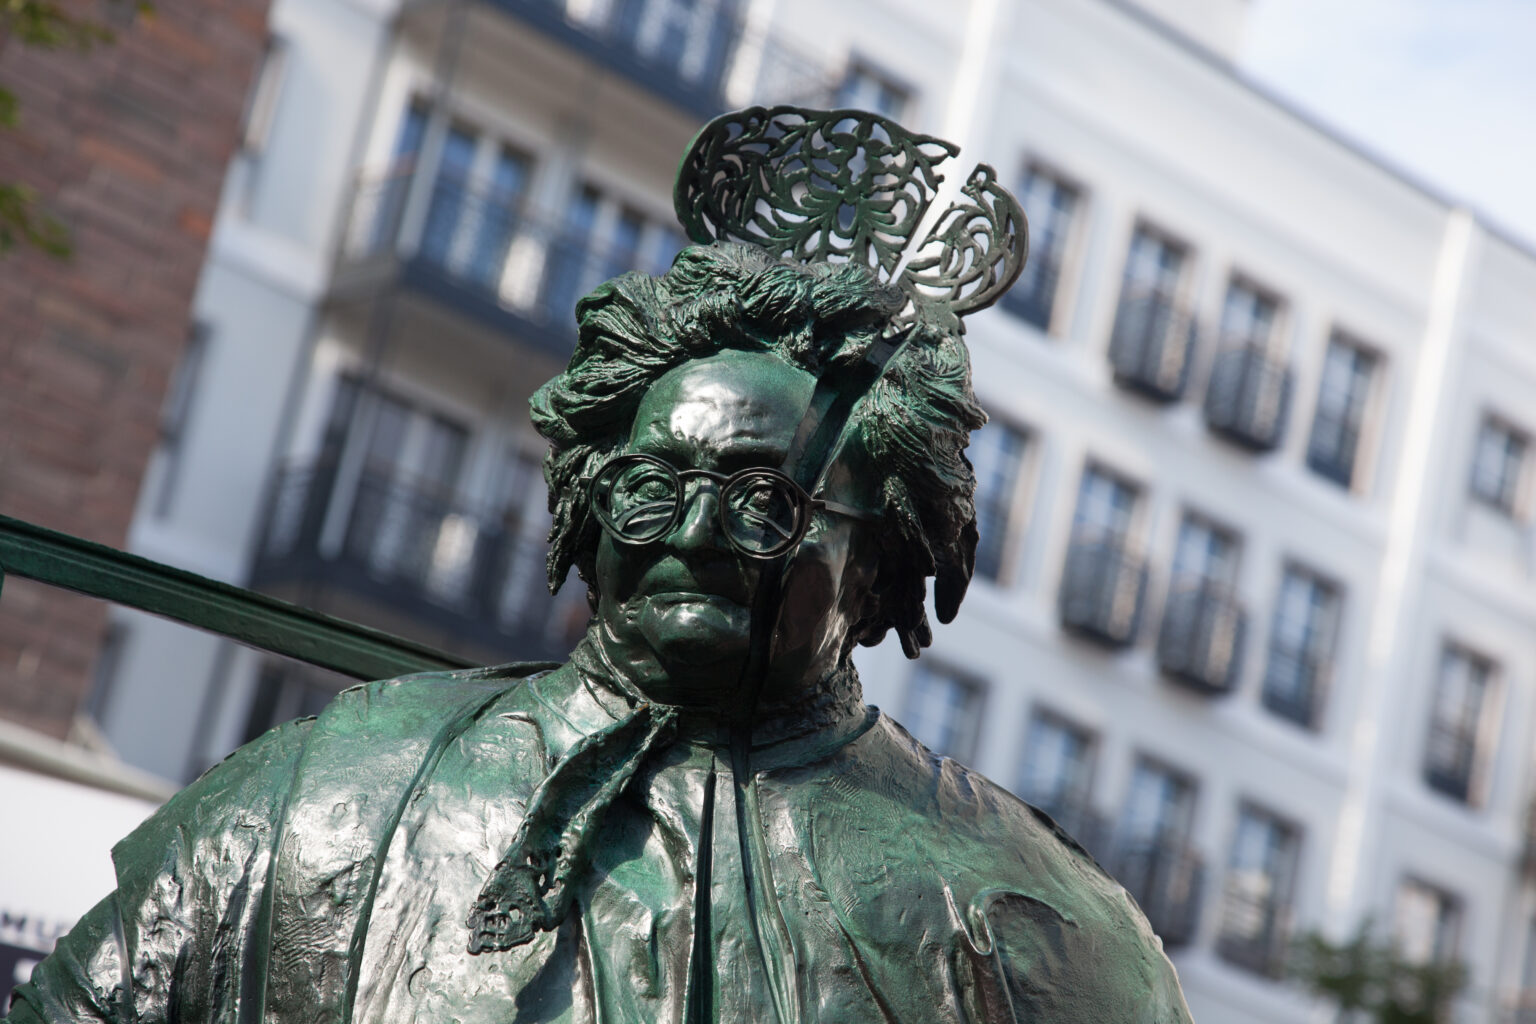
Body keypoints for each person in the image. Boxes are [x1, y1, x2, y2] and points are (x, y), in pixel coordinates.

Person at [4, 109, 1194, 1024]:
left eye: (763, 501)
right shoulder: (326, 794)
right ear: (589, 501)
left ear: (882, 558)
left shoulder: (1038, 924)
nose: (693, 531)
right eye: (653, 483)